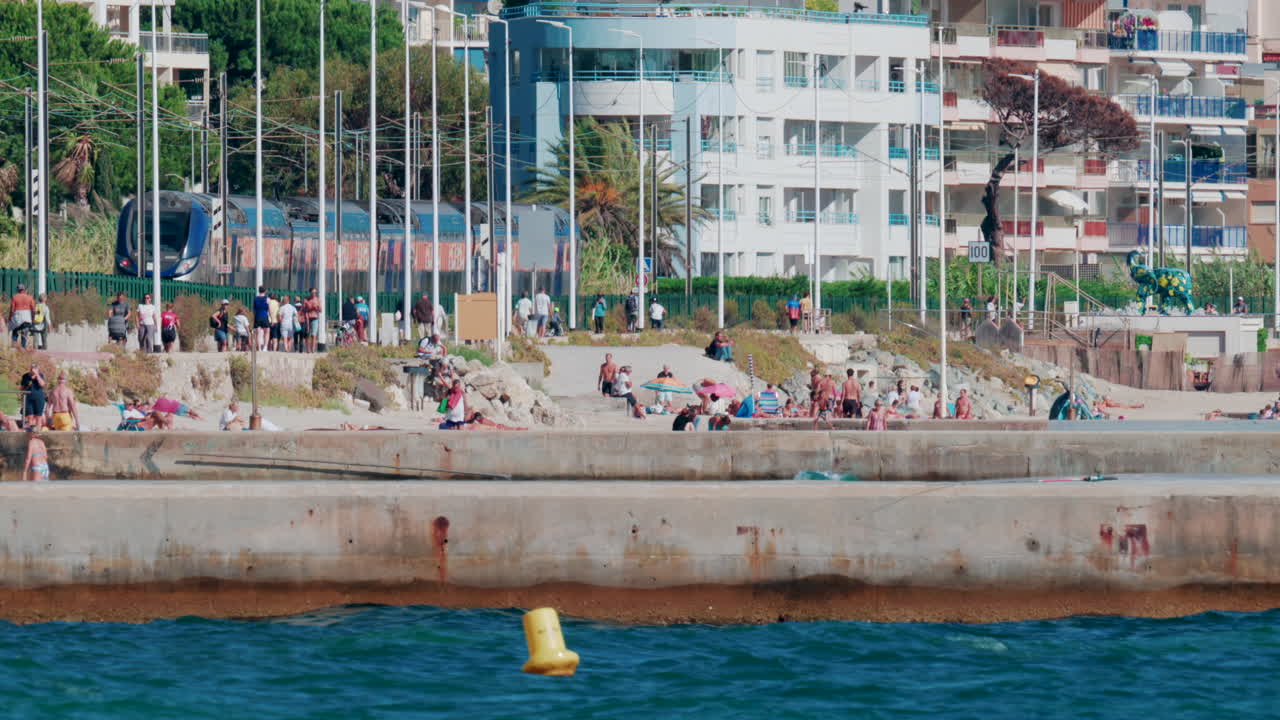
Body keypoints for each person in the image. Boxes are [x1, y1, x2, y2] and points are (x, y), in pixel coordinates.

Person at [20, 363, 46, 429]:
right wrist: (22, 400)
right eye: (32, 368)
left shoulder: (41, 375)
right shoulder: (25, 376)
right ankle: (29, 434)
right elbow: (22, 388)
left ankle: (38, 433)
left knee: (38, 417)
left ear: (38, 369)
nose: (33, 370)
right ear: (30, 368)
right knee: (30, 417)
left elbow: (42, 384)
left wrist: (37, 375)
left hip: (39, 398)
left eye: (35, 368)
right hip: (28, 399)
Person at [9, 283, 35, 347]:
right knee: (24, 333)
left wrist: (10, 318)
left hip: (17, 317)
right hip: (27, 317)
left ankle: (13, 347)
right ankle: (23, 348)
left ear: (18, 289)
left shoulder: (15, 297)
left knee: (15, 332)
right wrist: (33, 318)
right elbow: (33, 309)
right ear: (24, 289)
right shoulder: (30, 297)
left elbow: (12, 310)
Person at [303, 288, 322, 353]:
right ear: (310, 292)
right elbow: (304, 309)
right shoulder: (306, 299)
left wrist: (317, 307)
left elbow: (320, 310)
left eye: (315, 293)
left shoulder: (318, 299)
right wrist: (310, 306)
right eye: (313, 292)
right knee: (307, 334)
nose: (314, 294)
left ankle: (313, 349)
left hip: (315, 318)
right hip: (308, 318)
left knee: (314, 334)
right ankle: (308, 349)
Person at [252, 286, 271, 350]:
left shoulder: (255, 299)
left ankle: (259, 348)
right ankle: (265, 347)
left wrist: (254, 317)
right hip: (265, 316)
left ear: (259, 291)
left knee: (258, 333)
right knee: (267, 331)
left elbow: (253, 310)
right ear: (265, 291)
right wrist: (271, 318)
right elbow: (269, 309)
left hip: (257, 316)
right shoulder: (267, 299)